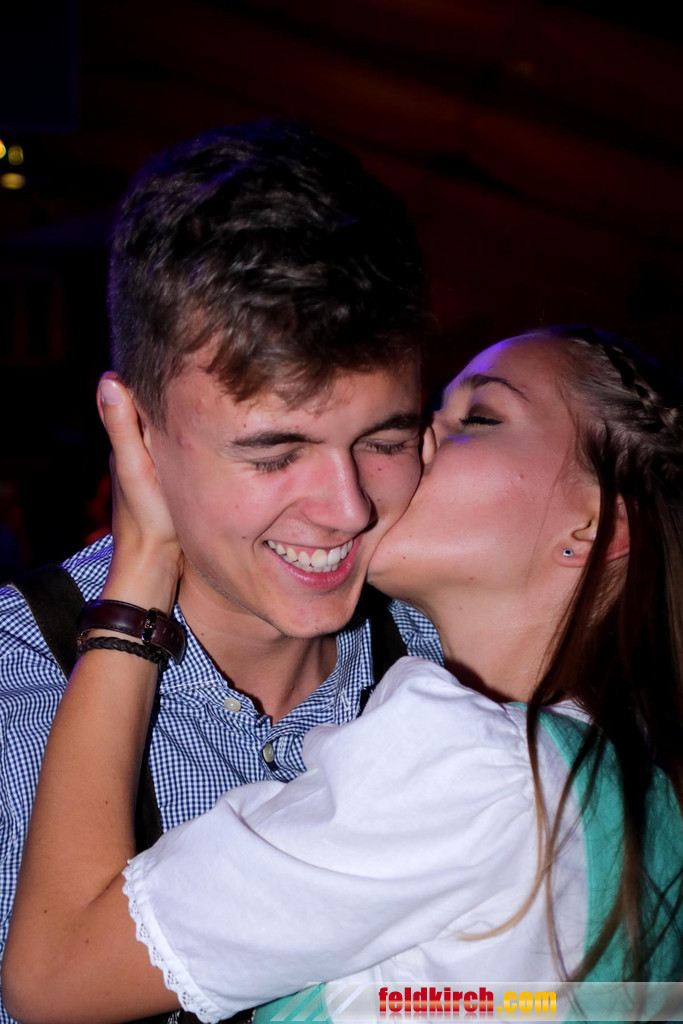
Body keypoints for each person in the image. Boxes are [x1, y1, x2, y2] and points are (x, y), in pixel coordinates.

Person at [5, 326, 683, 1024]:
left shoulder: (474, 764)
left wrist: (142, 566)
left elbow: (53, 973)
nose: (418, 446)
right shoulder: (640, 787)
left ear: (595, 527)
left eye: (478, 420)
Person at [0, 119, 442, 1024]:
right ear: (136, 430)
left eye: (383, 440)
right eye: (274, 453)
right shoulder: (14, 695)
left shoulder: (464, 660)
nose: (346, 508)